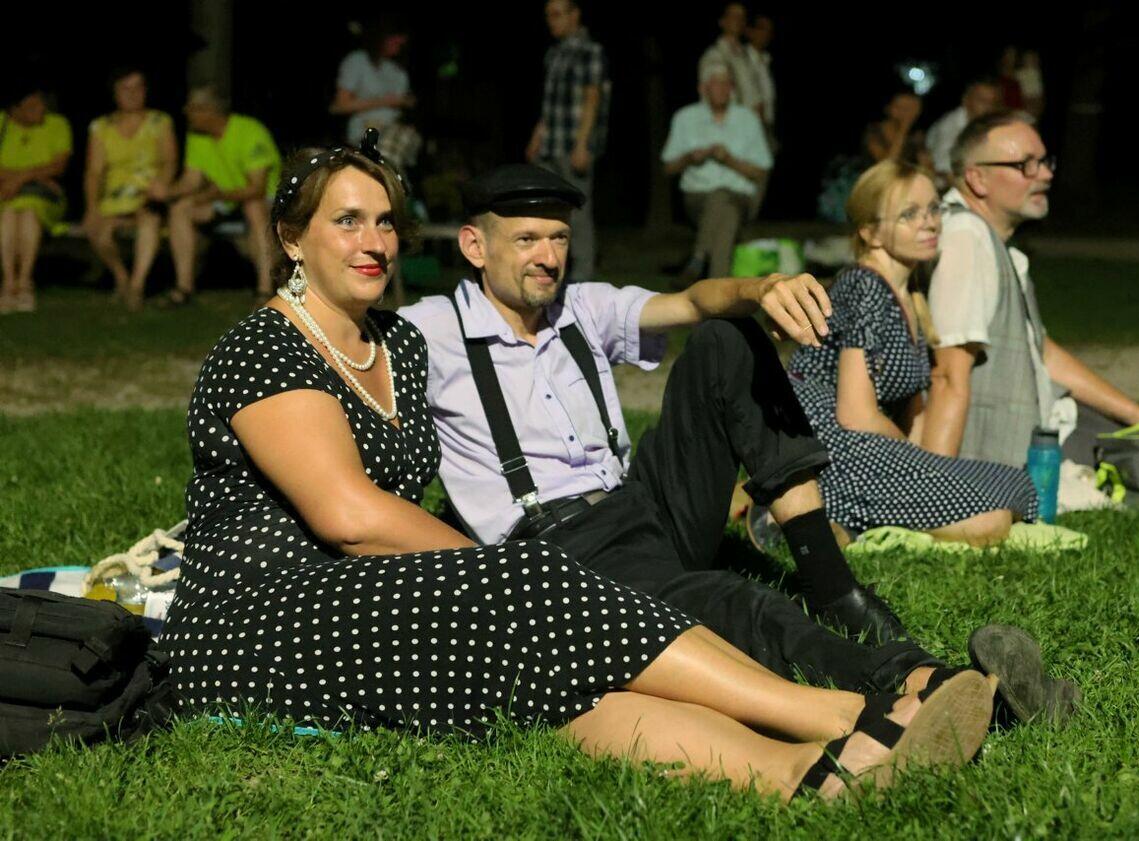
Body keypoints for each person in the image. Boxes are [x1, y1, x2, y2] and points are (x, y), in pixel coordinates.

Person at [157, 135, 999, 803]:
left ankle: (806, 772)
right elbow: (348, 515)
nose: (374, 241)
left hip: (366, 596)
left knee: (551, 686)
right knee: (559, 594)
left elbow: (692, 306)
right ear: (291, 237)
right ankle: (852, 709)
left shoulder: (395, 349)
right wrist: (491, 572)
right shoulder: (271, 348)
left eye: (383, 221)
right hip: (258, 622)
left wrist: (757, 290)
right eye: (347, 221)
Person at [399, 163, 1079, 727]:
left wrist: (763, 288)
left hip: (640, 505)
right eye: (526, 240)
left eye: (558, 238)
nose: (548, 257)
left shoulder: (579, 306)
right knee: (740, 606)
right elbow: (352, 380)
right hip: (561, 551)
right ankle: (945, 688)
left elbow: (696, 301)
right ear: (474, 246)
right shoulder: (425, 331)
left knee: (727, 336)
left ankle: (830, 582)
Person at [788, 160, 1038, 545]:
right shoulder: (865, 287)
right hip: (828, 447)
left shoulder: (911, 295)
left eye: (934, 209)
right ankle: (809, 512)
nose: (930, 223)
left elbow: (913, 411)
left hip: (872, 445)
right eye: (909, 214)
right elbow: (855, 414)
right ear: (870, 232)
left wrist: (930, 469)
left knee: (1014, 484)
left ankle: (847, 524)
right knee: (989, 521)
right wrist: (917, 462)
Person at [925, 111, 1139, 468]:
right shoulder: (966, 239)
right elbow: (947, 374)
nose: (1045, 174)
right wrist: (935, 481)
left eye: (1045, 162)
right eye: (1025, 165)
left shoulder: (990, 242)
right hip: (1006, 454)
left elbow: (1041, 352)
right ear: (977, 178)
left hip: (1047, 423)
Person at [149, 87, 281, 306]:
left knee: (253, 206)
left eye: (192, 108)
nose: (185, 111)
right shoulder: (197, 136)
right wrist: (168, 192)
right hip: (225, 201)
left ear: (209, 111)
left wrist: (216, 195)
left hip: (264, 201)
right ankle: (183, 287)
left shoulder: (249, 132)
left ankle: (264, 290)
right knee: (181, 208)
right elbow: (191, 180)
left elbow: (257, 188)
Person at [662, 61, 771, 280]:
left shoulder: (748, 119)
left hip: (741, 198)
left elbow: (761, 171)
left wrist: (730, 160)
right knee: (726, 212)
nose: (722, 89)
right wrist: (689, 158)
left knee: (723, 201)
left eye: (726, 84)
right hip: (696, 199)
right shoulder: (685, 117)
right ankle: (718, 286)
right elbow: (668, 167)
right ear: (703, 88)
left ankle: (699, 257)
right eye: (716, 84)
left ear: (732, 88)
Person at [525, 0, 609, 281]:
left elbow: (592, 98)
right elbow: (550, 104)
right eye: (548, 15)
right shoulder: (554, 53)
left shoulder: (590, 51)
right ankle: (550, 271)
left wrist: (583, 144)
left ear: (575, 14)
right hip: (550, 144)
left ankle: (583, 278)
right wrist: (537, 135)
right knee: (546, 209)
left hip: (573, 144)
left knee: (578, 212)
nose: (552, 20)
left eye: (557, 14)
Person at [83, 68, 178, 309]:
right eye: (125, 89)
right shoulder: (101, 127)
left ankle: (137, 285)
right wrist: (92, 207)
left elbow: (169, 162)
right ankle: (121, 277)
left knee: (149, 222)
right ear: (115, 93)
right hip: (115, 197)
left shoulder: (160, 122)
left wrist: (160, 186)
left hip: (149, 193)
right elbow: (94, 171)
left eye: (138, 88)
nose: (132, 94)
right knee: (99, 231)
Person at [0, 86, 71, 314]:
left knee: (29, 212)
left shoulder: (57, 124)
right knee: (9, 215)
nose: (39, 109)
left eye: (41, 104)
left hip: (43, 197)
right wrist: (36, 176)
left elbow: (58, 166)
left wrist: (19, 179)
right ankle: (9, 283)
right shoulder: (2, 123)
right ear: (14, 110)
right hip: (6, 196)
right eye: (31, 106)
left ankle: (24, 282)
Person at [330, 19, 415, 146]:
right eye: (394, 39)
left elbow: (405, 101)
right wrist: (386, 101)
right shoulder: (358, 60)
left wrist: (406, 102)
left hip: (396, 131)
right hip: (364, 131)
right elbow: (340, 106)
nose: (399, 44)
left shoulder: (398, 71)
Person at [924, 79, 1000, 182]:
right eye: (982, 101)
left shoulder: (994, 124)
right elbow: (942, 164)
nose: (989, 107)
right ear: (966, 101)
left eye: (993, 102)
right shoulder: (949, 125)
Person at [699, 3, 762, 118]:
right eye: (733, 16)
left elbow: (757, 96)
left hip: (751, 123)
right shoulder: (713, 55)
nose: (738, 20)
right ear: (722, 21)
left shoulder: (747, 56)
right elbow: (711, 97)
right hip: (728, 123)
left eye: (742, 17)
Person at [863, 88, 930, 169]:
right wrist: (903, 129)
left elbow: (926, 166)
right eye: (900, 107)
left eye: (912, 108)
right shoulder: (874, 131)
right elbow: (887, 165)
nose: (906, 112)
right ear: (888, 108)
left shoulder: (916, 135)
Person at [745, 12, 777, 140]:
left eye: (769, 30)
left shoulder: (767, 60)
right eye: (761, 28)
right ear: (749, 31)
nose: (765, 34)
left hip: (768, 127)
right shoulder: (741, 60)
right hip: (748, 127)